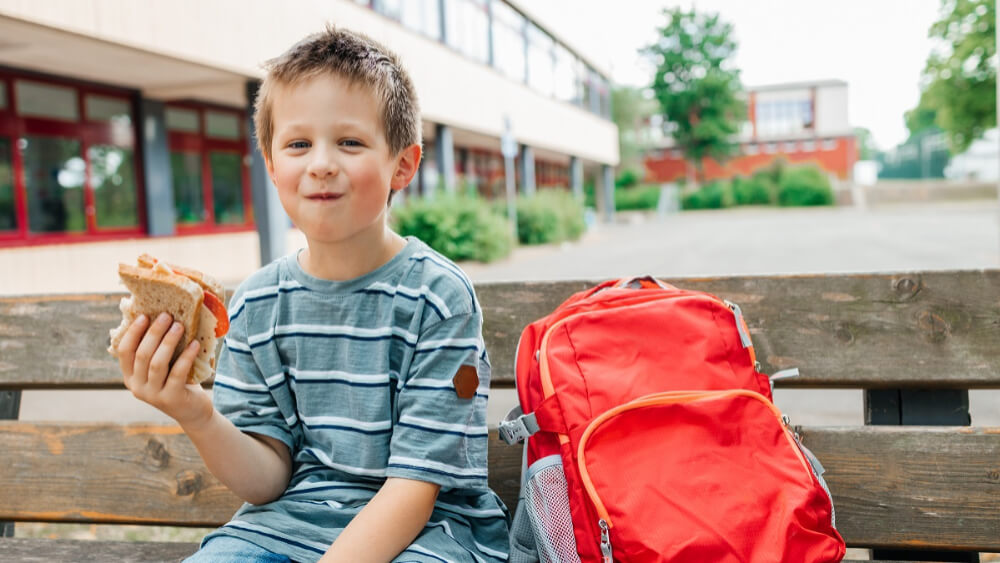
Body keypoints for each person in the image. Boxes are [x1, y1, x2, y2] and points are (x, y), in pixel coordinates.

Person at [115, 26, 509, 563]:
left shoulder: (438, 298)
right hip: (288, 523)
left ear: (403, 164)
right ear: (273, 167)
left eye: (349, 141)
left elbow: (415, 491)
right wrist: (195, 413)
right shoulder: (255, 305)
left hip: (433, 529)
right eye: (298, 144)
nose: (321, 162)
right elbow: (266, 480)